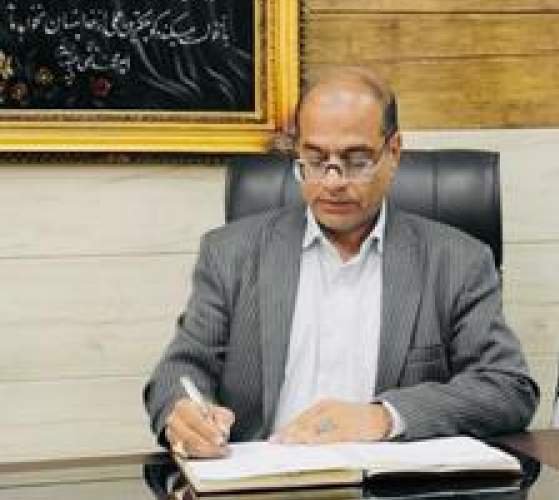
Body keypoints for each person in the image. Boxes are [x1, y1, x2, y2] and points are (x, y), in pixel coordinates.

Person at [143, 67, 538, 458]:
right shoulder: (231, 254)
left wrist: (384, 417)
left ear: (394, 153)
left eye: (356, 160)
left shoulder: (457, 261)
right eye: (315, 160)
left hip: (389, 483)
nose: (332, 181)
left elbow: (508, 388)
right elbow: (179, 371)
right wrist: (182, 411)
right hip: (265, 479)